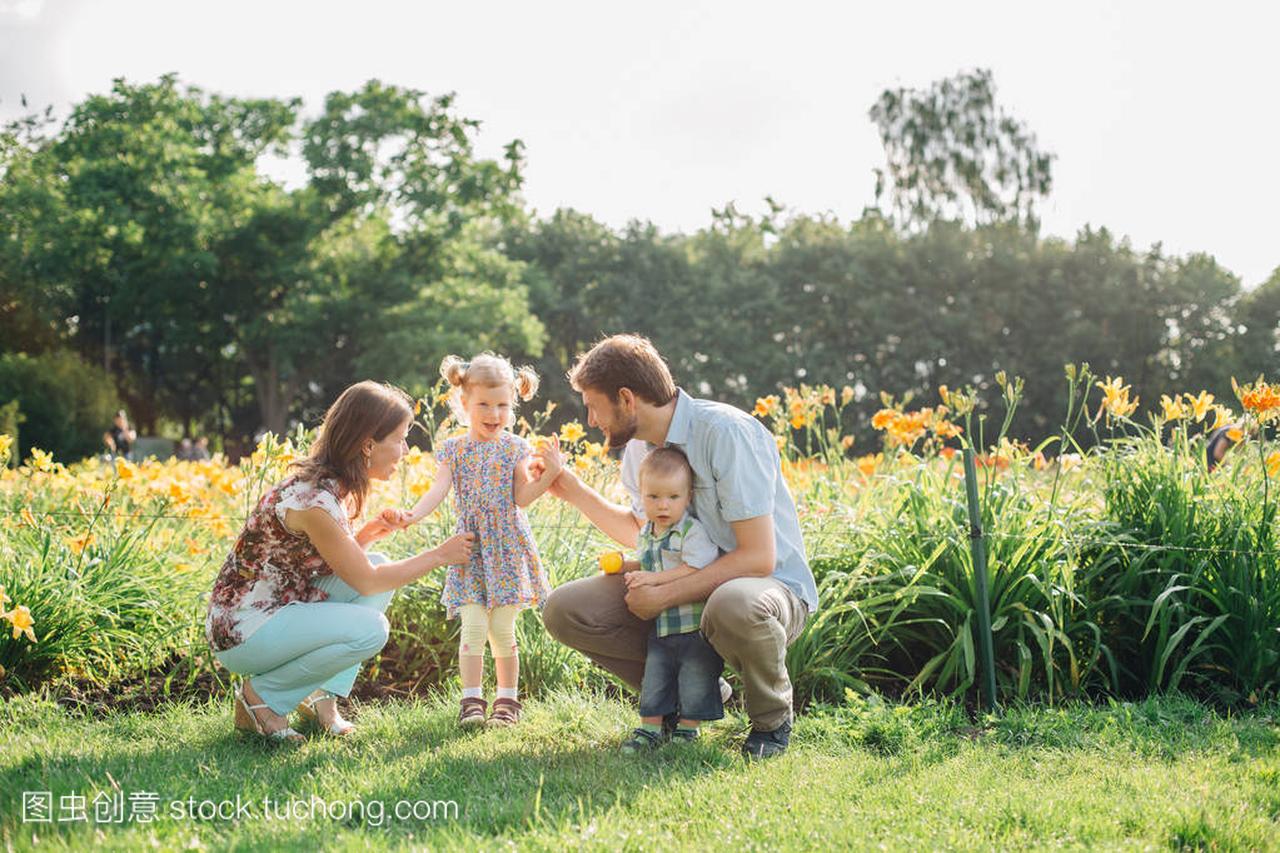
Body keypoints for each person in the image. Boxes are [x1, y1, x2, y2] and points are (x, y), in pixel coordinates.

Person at [539, 334, 818, 759]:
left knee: (733, 603)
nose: (592, 419)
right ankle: (688, 696)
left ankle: (771, 722)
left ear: (627, 398)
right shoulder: (638, 449)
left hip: (766, 589)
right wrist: (573, 491)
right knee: (565, 609)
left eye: (594, 406)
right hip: (691, 583)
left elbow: (758, 557)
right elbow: (646, 533)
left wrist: (666, 592)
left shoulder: (726, 433)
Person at [204, 381, 474, 742]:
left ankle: (320, 698)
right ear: (367, 444)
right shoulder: (315, 501)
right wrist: (440, 555)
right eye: (399, 438)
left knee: (375, 558)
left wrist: (364, 537)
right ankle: (262, 700)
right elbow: (368, 581)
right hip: (242, 630)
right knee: (371, 628)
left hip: (275, 610)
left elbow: (311, 563)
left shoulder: (331, 486)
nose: (407, 450)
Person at [384, 353, 562, 728]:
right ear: (464, 404)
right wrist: (412, 515)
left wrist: (550, 475)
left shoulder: (515, 447)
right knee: (474, 627)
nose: (494, 413)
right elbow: (437, 491)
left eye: (502, 405)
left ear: (512, 406)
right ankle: (471, 701)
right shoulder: (453, 449)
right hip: (469, 549)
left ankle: (507, 702)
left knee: (502, 630)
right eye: (484, 404)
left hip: (508, 549)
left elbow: (522, 498)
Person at [617, 446, 724, 753]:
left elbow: (693, 568)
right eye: (653, 497)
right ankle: (650, 729)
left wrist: (651, 580)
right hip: (662, 626)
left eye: (673, 498)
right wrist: (627, 566)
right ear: (642, 496)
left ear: (687, 497)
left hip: (692, 625)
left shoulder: (691, 531)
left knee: (694, 676)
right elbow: (652, 563)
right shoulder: (647, 533)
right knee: (655, 677)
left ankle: (688, 732)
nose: (663, 506)